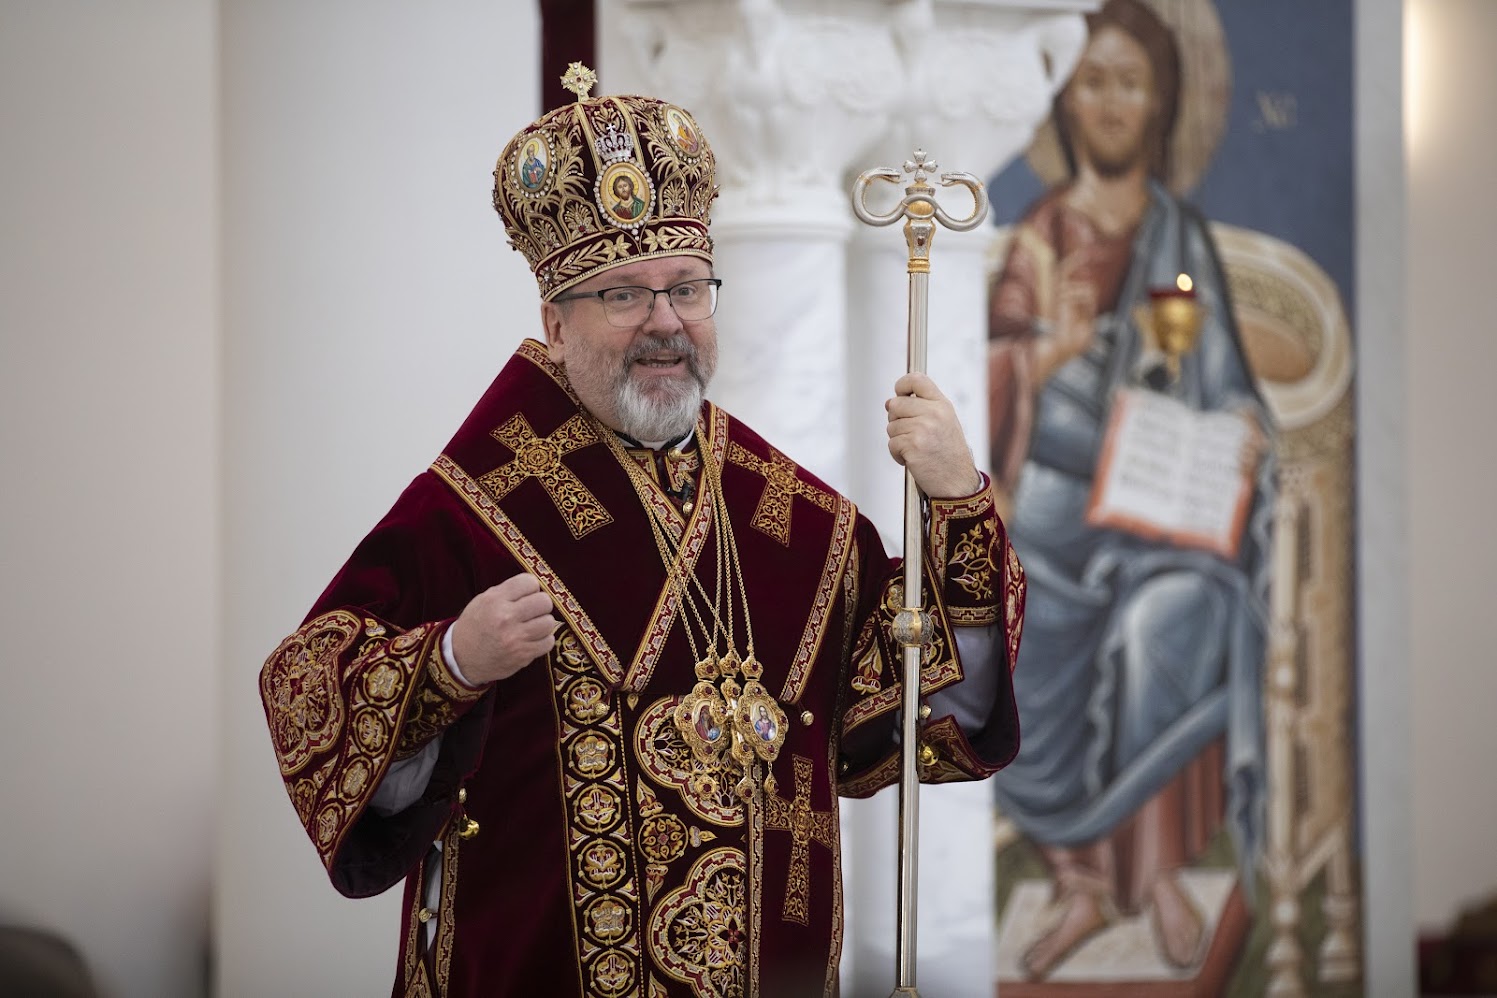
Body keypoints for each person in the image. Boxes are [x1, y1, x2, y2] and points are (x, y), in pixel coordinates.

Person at [261, 74, 1025, 998]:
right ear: (555, 323)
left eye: (687, 289)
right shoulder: (468, 510)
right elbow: (307, 689)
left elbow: (930, 704)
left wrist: (956, 496)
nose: (665, 323)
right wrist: (453, 660)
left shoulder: (802, 523)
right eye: (623, 296)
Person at [986, 0, 1274, 979]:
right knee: (1018, 615)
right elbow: (990, 374)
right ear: (1067, 102)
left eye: (1130, 83)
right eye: (1093, 82)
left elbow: (1227, 384)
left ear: (1161, 102)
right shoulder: (1039, 237)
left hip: (1159, 514)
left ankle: (1154, 877)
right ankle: (1078, 884)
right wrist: (1044, 355)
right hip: (1052, 509)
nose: (1110, 103)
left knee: (1166, 619)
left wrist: (1240, 428)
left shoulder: (1179, 236)